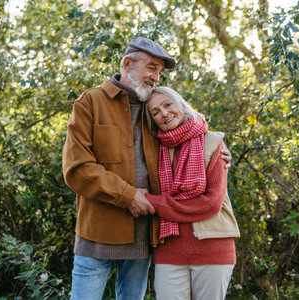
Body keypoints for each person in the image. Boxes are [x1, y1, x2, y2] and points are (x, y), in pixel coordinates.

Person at [62, 37, 231, 300]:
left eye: (160, 72)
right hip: (97, 234)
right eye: (151, 67)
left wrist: (218, 149)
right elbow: (77, 168)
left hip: (143, 236)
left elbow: (188, 134)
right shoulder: (90, 102)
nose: (155, 77)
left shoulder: (153, 108)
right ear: (128, 63)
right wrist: (128, 195)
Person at [145, 86, 240, 300]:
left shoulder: (213, 142)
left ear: (180, 104)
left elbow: (211, 203)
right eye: (156, 112)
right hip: (169, 249)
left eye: (168, 105)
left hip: (213, 249)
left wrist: (153, 202)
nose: (164, 113)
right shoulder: (154, 149)